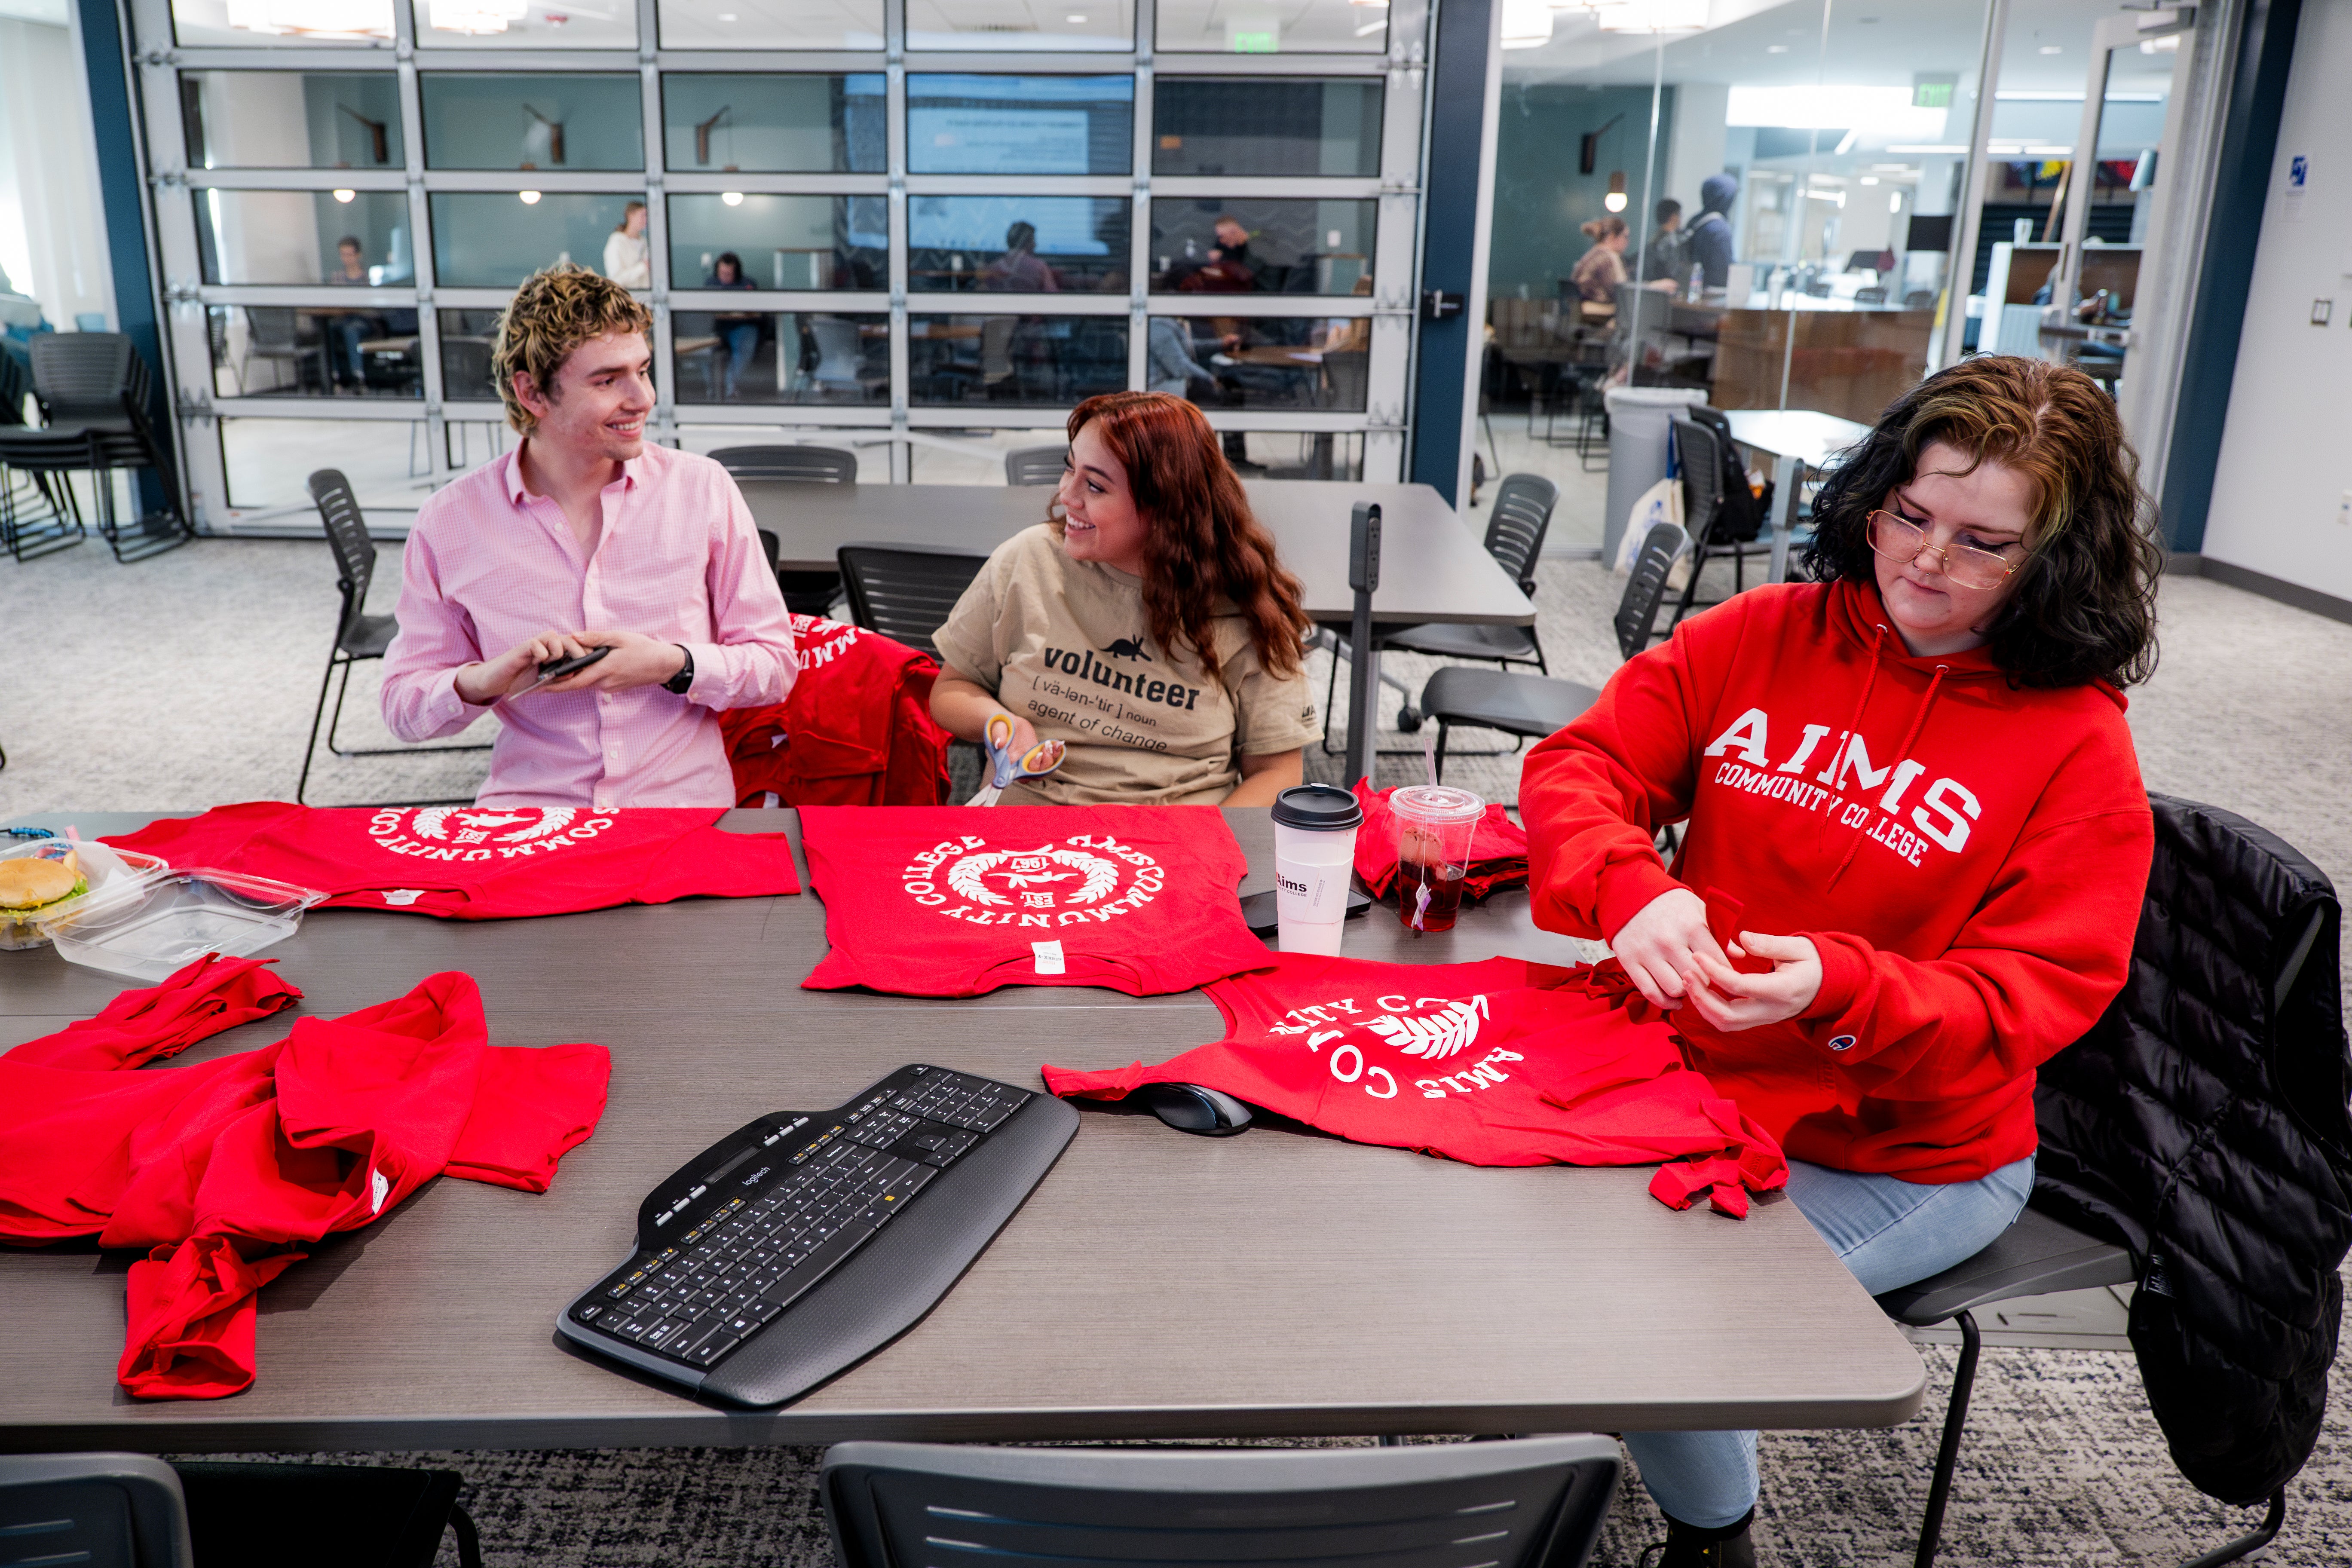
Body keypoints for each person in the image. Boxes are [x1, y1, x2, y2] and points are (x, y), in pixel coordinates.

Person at [1519, 355, 2164, 1568]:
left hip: (1907, 1153)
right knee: (1490, 1210)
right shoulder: (1765, 632)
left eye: (1984, 542)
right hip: (1692, 1086)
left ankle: (1718, 1542)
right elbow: (1579, 768)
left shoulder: (2078, 748)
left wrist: (1840, 985)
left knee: (1656, 1311)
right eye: (1911, 516)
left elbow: (2033, 999)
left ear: (2054, 563)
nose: (1927, 561)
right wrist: (1633, 888)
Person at [380, 263, 796, 809]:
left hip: (684, 811)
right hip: (532, 811)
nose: (642, 397)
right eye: (608, 381)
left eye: (643, 371)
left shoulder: (703, 489)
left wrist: (674, 664)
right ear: (532, 393)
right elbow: (402, 709)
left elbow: (775, 666)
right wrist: (482, 681)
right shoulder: (450, 522)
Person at [929, 390, 1320, 806]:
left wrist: (1205, 846)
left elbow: (1277, 771)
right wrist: (997, 721)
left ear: (1165, 507)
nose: (1067, 495)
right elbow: (951, 689)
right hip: (1028, 834)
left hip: (1175, 840)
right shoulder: (1029, 560)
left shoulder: (1242, 601)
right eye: (1070, 470)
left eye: (1095, 486)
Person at [324, 236, 385, 391]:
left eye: (350, 254)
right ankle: (334, 374)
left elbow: (369, 306)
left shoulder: (366, 278)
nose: (347, 259)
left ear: (358, 255)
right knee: (328, 330)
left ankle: (358, 375)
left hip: (363, 319)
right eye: (343, 255)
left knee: (351, 330)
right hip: (342, 318)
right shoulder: (337, 278)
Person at [705, 251, 760, 400]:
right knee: (705, 350)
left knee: (744, 346)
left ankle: (731, 388)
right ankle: (713, 390)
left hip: (741, 326)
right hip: (717, 327)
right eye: (722, 273)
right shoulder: (711, 284)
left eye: (729, 274)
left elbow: (754, 309)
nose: (725, 276)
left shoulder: (747, 284)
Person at [1687, 173, 1740, 291]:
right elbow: (1722, 270)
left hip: (1691, 289)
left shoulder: (1695, 220)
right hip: (1709, 295)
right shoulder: (1719, 228)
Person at [980, 221, 1059, 292]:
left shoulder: (993, 268)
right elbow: (1053, 294)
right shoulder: (1039, 267)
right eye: (1033, 240)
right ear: (1026, 242)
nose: (1035, 245)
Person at [1568, 215, 1630, 304]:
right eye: (1626, 237)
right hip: (1596, 308)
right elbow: (1620, 293)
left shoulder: (1594, 253)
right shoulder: (1608, 257)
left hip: (1579, 308)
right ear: (1612, 236)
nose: (1627, 242)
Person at [1146, 315, 1211, 397]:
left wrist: (1221, 345)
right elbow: (1179, 367)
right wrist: (1213, 380)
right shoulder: (1158, 325)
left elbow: (1189, 348)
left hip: (1167, 392)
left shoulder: (1173, 322)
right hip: (1156, 393)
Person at [602, 201, 650, 289]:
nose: (646, 219)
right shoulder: (617, 242)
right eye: (643, 215)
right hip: (626, 297)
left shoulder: (645, 242)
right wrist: (643, 267)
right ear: (631, 216)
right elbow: (616, 279)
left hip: (646, 299)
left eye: (647, 216)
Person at [1640, 199, 1687, 285]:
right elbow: (1673, 270)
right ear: (1673, 217)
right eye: (1680, 215)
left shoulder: (1655, 240)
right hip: (1665, 288)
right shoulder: (1670, 242)